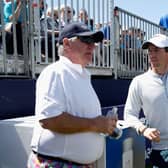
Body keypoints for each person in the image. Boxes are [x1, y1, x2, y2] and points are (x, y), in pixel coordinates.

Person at [27, 22, 118, 168]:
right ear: (66, 43)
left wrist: (104, 124)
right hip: (56, 163)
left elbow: (85, 120)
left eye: (93, 42)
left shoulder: (79, 75)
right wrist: (96, 124)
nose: (92, 46)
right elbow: (49, 119)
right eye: (86, 41)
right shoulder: (55, 72)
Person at [124, 33, 168, 168]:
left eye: (157, 50)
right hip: (160, 152)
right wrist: (143, 129)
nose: (152, 55)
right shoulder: (139, 82)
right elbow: (129, 115)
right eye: (150, 51)